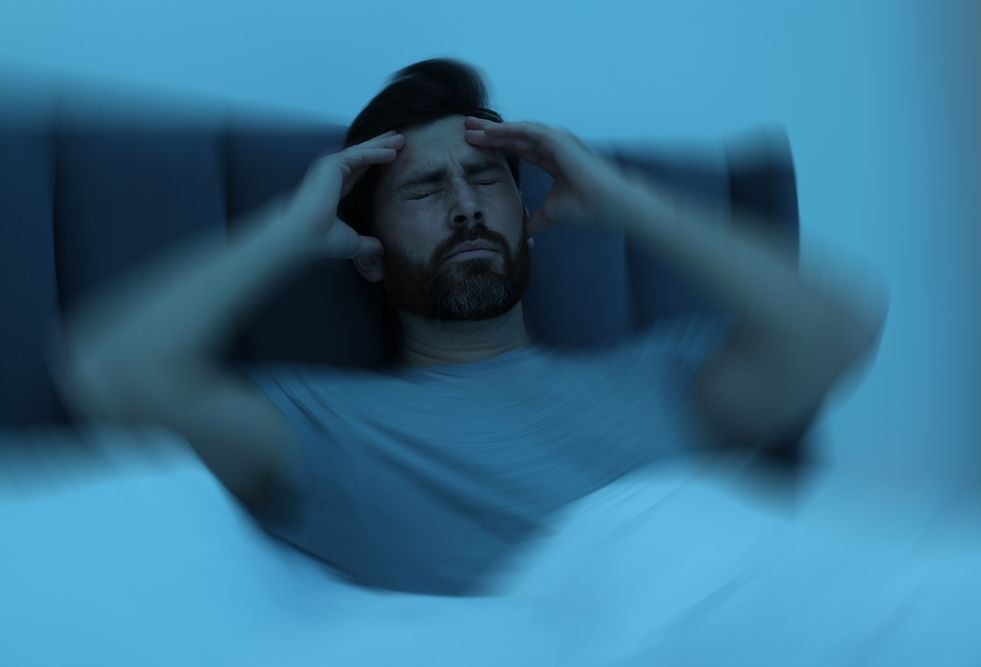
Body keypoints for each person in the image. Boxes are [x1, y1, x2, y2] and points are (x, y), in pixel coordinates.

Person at [51, 58, 887, 596]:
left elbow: (841, 326)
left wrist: (625, 195)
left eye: (486, 180)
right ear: (370, 254)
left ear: (529, 220)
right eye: (423, 190)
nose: (463, 206)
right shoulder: (321, 428)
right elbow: (107, 372)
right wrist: (287, 229)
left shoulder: (662, 376)